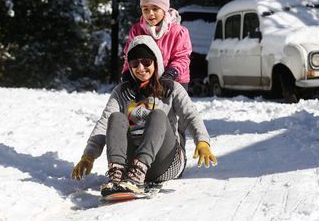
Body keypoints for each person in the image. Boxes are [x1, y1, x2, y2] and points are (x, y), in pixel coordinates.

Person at [71, 35, 217, 196]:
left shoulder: (171, 88)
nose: (141, 68)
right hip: (130, 166)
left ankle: (140, 171)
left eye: (146, 62)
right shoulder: (121, 92)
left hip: (166, 162)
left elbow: (190, 115)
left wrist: (202, 142)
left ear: (156, 62)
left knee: (157, 116)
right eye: (135, 64)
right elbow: (105, 122)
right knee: (116, 117)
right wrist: (88, 155)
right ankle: (117, 174)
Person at [121, 0, 192, 90]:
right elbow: (130, 55)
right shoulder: (137, 30)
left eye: (155, 8)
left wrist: (170, 74)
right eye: (145, 9)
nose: (150, 13)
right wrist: (126, 75)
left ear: (164, 9)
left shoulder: (178, 32)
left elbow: (182, 58)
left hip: (175, 81)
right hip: (145, 80)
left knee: (172, 106)